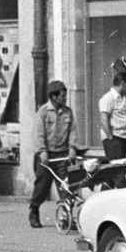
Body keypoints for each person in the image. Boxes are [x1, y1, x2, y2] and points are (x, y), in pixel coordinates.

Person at [29, 80, 79, 228]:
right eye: (63, 96)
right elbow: (38, 134)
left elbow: (73, 132)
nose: (65, 98)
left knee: (66, 188)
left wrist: (72, 148)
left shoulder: (68, 112)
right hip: (46, 156)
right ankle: (34, 211)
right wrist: (42, 152)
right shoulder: (43, 112)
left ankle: (66, 217)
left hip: (63, 155)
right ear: (54, 96)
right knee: (42, 187)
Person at [98, 72, 126, 160]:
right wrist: (110, 138)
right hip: (115, 138)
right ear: (122, 83)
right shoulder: (109, 98)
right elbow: (104, 119)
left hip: (123, 137)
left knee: (122, 168)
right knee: (116, 167)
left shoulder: (123, 98)